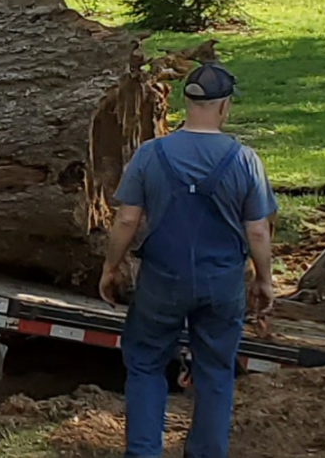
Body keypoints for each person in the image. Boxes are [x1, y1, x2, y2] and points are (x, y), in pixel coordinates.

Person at [99, 62, 277, 458]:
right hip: (222, 284)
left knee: (145, 365)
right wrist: (264, 280)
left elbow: (127, 218)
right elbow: (258, 230)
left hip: (162, 281)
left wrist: (111, 266)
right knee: (215, 372)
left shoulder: (151, 154)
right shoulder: (245, 160)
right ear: (224, 107)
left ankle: (143, 452)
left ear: (186, 102)